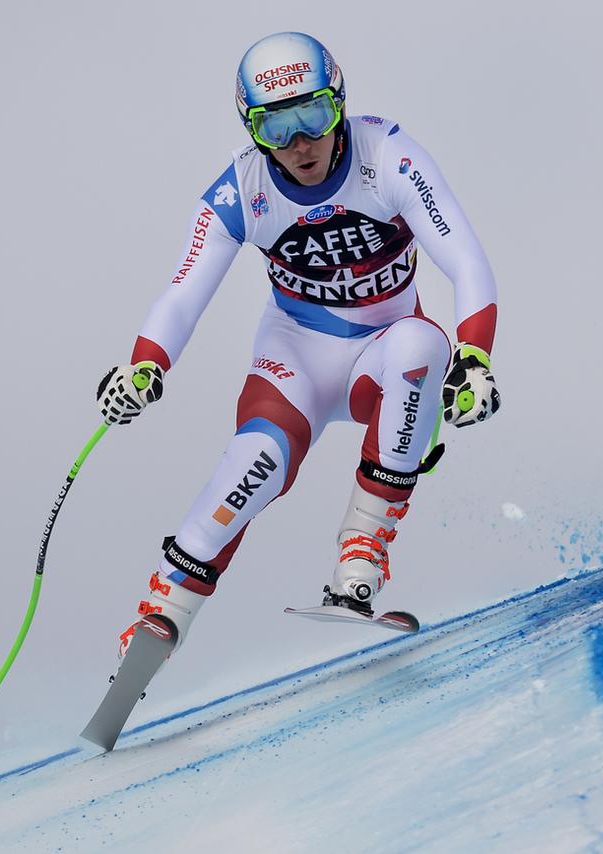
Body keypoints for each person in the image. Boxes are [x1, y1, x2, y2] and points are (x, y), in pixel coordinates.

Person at [96, 31, 499, 657]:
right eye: (275, 127)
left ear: (340, 103)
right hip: (296, 360)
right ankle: (160, 613)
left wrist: (475, 359)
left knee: (424, 346)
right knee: (255, 466)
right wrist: (144, 367)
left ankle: (361, 556)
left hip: (383, 356)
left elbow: (467, 261)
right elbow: (183, 293)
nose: (300, 143)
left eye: (313, 115)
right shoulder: (241, 187)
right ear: (251, 129)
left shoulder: (388, 156)